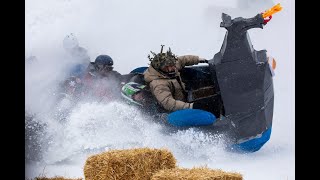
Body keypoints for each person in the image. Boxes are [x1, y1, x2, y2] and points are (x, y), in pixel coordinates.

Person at [143, 45, 209, 112]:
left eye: (173, 64)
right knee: (208, 105)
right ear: (164, 68)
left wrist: (198, 59)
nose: (174, 67)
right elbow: (168, 103)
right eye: (171, 66)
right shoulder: (159, 85)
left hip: (184, 94)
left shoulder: (171, 67)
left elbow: (182, 60)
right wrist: (190, 106)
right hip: (179, 107)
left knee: (209, 92)